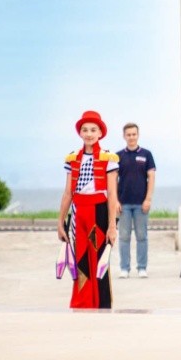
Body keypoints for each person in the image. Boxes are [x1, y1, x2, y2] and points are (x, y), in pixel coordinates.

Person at [57, 110, 119, 309]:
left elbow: (112, 194)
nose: (89, 134)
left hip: (98, 212)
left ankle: (101, 303)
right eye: (85, 130)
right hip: (78, 213)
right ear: (80, 133)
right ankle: (82, 302)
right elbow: (68, 193)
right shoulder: (73, 158)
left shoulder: (108, 158)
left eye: (93, 130)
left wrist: (112, 226)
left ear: (100, 133)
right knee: (80, 258)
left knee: (99, 258)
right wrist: (60, 223)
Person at [116, 123, 156, 278]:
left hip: (141, 203)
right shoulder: (118, 156)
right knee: (123, 237)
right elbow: (112, 180)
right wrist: (115, 201)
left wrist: (148, 199)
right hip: (123, 204)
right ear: (124, 136)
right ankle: (124, 268)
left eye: (134, 134)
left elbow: (151, 177)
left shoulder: (146, 154)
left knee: (142, 236)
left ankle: (142, 268)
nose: (131, 137)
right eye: (128, 135)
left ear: (138, 135)